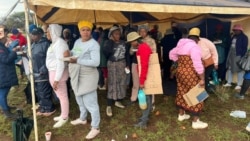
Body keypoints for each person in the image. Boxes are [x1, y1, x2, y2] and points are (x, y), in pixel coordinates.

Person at [67, 20, 100, 139]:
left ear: (91, 31)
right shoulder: (77, 42)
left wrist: (77, 61)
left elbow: (96, 62)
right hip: (77, 75)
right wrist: (69, 53)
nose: (85, 32)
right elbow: (76, 53)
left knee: (91, 102)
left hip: (88, 75)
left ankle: (95, 127)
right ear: (79, 31)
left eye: (88, 30)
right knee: (79, 98)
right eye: (83, 30)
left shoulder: (94, 44)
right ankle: (83, 118)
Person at [169, 28, 208, 129]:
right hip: (191, 74)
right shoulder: (194, 47)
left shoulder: (181, 44)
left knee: (182, 91)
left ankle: (181, 115)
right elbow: (198, 65)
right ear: (197, 39)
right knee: (198, 93)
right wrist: (202, 78)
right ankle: (196, 121)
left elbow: (171, 54)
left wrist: (180, 62)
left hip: (180, 73)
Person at [103, 26, 130, 117]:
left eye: (119, 34)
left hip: (121, 64)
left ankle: (118, 100)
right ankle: (109, 104)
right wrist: (111, 41)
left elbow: (126, 55)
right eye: (115, 34)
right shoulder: (108, 43)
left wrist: (127, 64)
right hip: (112, 65)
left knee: (121, 82)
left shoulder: (124, 43)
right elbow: (107, 53)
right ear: (111, 35)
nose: (118, 35)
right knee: (112, 83)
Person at [46, 24, 70, 128]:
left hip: (57, 73)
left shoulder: (60, 44)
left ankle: (65, 117)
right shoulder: (55, 43)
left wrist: (56, 79)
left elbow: (61, 63)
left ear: (54, 32)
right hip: (54, 72)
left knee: (62, 96)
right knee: (60, 96)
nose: (47, 34)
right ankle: (62, 115)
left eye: (48, 32)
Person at [126, 32, 152, 128]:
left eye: (132, 41)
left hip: (145, 77)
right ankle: (145, 117)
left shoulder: (143, 48)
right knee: (146, 98)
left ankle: (144, 122)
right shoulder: (141, 47)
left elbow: (144, 66)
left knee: (145, 99)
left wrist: (142, 81)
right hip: (144, 75)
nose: (131, 43)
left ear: (136, 40)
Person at [31, 27, 56, 118]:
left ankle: (49, 108)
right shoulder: (34, 44)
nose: (32, 36)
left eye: (34, 34)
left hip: (42, 72)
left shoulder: (46, 44)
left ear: (40, 35)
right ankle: (43, 106)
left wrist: (43, 69)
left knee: (44, 90)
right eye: (32, 34)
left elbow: (49, 58)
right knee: (38, 91)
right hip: (35, 71)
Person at [190, 27, 218, 93]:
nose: (193, 40)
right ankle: (197, 93)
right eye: (191, 39)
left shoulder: (206, 41)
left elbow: (214, 52)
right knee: (196, 78)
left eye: (194, 38)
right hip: (197, 64)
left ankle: (204, 93)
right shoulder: (189, 44)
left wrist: (216, 63)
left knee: (204, 78)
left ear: (198, 37)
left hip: (208, 63)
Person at [0, 25, 18, 119]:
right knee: (2, 93)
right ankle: (7, 112)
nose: (6, 38)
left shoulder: (2, 46)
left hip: (4, 73)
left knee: (4, 92)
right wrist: (14, 51)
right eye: (5, 36)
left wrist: (11, 49)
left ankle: (5, 107)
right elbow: (6, 59)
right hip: (3, 74)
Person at [224, 24, 248, 90]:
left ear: (240, 30)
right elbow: (229, 44)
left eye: (236, 30)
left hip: (238, 55)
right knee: (230, 67)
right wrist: (230, 36)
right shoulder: (233, 36)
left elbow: (244, 48)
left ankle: (239, 84)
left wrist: (241, 56)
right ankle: (229, 82)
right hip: (231, 54)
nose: (235, 31)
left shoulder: (244, 37)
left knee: (239, 69)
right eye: (234, 30)